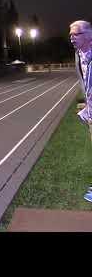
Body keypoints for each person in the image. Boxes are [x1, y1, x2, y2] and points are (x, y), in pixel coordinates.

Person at [69, 20, 92, 203]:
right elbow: (84, 81)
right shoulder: (78, 55)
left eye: (75, 34)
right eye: (70, 34)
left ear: (88, 36)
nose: (71, 37)